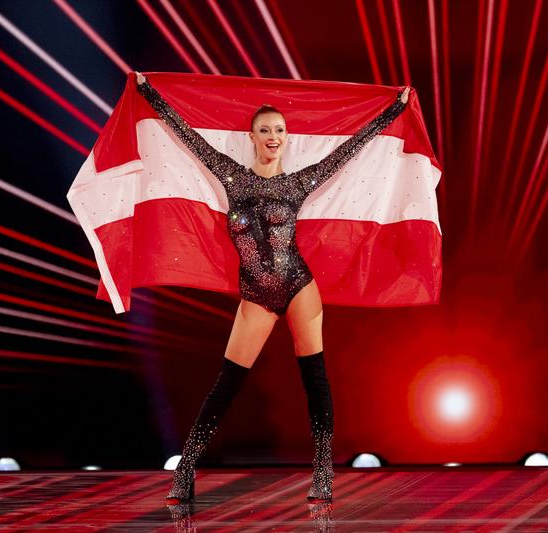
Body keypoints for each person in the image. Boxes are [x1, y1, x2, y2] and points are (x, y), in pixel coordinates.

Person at [135, 71, 410, 502]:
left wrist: (394, 110)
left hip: (298, 284)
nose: (273, 136)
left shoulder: (296, 183)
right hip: (256, 294)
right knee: (226, 383)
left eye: (279, 130)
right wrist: (147, 91)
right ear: (251, 136)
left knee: (314, 379)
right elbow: (186, 136)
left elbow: (350, 151)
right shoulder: (231, 176)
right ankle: (185, 470)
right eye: (265, 130)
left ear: (287, 137)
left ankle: (322, 475)